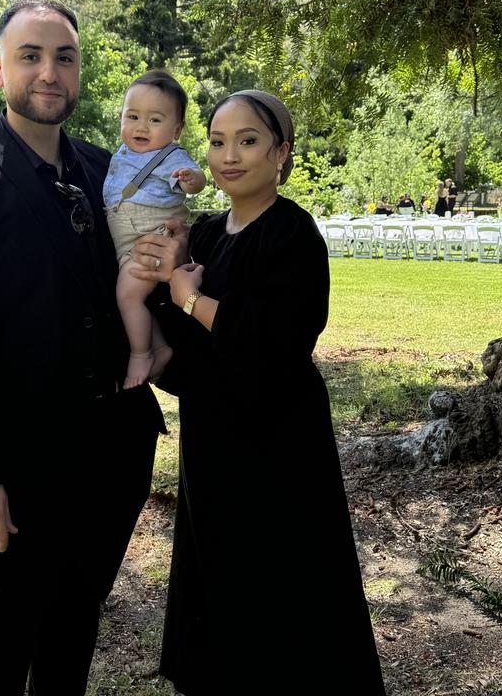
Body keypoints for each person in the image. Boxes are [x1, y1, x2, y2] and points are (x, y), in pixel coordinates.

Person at [0, 0, 172, 694]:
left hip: (116, 447)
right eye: (31, 56)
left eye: (64, 57)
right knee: (4, 628)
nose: (49, 71)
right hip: (21, 463)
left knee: (76, 619)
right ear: (0, 71)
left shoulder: (107, 168)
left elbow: (148, 271)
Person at [149, 90, 386, 694]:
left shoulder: (293, 234)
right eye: (219, 141)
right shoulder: (205, 231)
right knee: (218, 565)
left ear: (280, 153)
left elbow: (273, 340)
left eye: (248, 141)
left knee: (280, 575)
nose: (230, 156)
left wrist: (190, 297)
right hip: (214, 432)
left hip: (278, 439)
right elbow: (182, 341)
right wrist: (163, 282)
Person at [103, 70, 207, 388]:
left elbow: (196, 177)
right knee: (137, 297)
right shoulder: (122, 153)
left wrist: (192, 179)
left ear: (176, 129)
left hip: (152, 235)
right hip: (128, 239)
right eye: (133, 116)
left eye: (155, 120)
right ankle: (160, 347)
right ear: (121, 117)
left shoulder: (169, 156)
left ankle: (141, 353)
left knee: (127, 295)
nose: (141, 127)